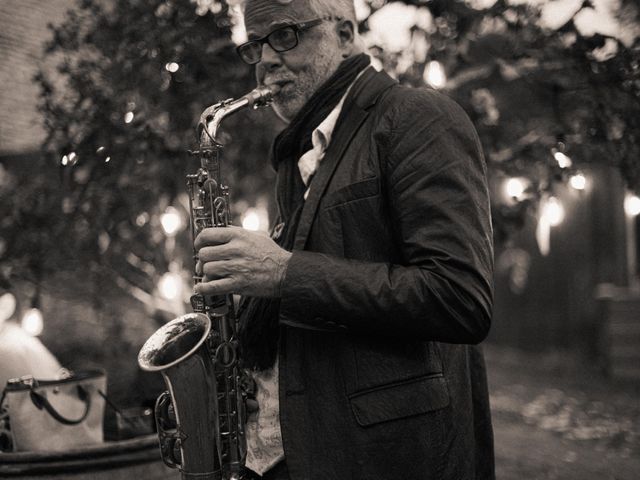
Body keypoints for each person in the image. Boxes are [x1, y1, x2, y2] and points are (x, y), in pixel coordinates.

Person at [194, 0, 495, 478]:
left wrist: (283, 272)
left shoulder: (416, 116)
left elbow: (460, 298)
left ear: (346, 33)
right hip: (285, 458)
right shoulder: (298, 157)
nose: (267, 58)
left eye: (286, 34)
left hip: (381, 460)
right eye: (255, 44)